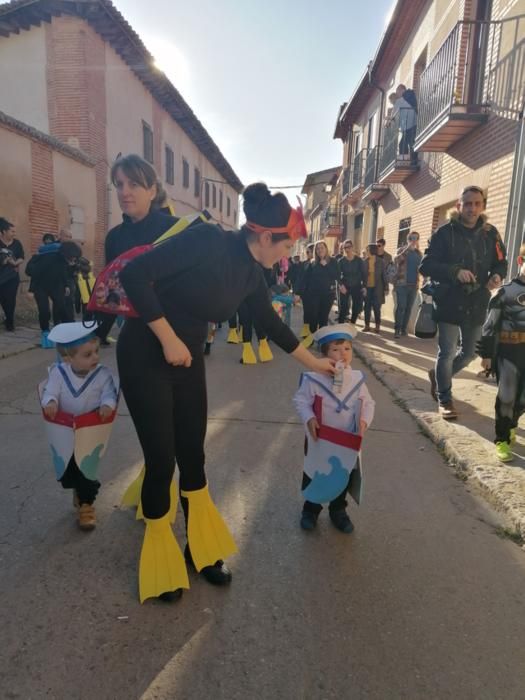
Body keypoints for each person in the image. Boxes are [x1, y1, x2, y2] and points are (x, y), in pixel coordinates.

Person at [117, 181, 335, 604]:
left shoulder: (253, 273)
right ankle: (161, 556)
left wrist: (316, 363)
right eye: (287, 247)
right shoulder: (207, 241)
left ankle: (200, 549)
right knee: (162, 460)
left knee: (193, 455)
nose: (288, 256)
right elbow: (134, 275)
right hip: (146, 354)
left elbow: (270, 325)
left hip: (186, 360)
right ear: (266, 236)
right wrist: (167, 339)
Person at [420, 186, 507, 420]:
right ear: (459, 205)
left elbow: (501, 262)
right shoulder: (444, 232)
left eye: (477, 203)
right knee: (447, 352)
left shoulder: (491, 233)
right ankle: (444, 397)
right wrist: (454, 271)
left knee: (469, 354)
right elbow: (425, 265)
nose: (472, 208)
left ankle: (439, 377)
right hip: (449, 300)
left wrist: (497, 276)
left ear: (483, 206)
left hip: (477, 301)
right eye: (467, 203)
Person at [293, 324, 375, 533]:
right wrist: (309, 418)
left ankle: (338, 510)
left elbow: (368, 403)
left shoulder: (357, 379)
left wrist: (364, 421)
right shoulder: (312, 378)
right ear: (324, 354)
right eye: (335, 350)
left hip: (347, 439)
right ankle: (311, 509)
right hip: (320, 438)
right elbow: (301, 401)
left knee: (343, 476)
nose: (342, 354)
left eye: (347, 349)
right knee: (314, 473)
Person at [39, 323, 118, 529]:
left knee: (87, 468)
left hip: (91, 429)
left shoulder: (102, 374)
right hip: (64, 430)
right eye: (88, 354)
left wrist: (107, 405)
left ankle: (86, 505)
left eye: (96, 352)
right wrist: (50, 402)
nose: (95, 357)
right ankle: (79, 491)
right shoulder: (58, 373)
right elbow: (50, 391)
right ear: (68, 358)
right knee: (70, 469)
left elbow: (109, 392)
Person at [97, 154, 178, 346]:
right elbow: (111, 290)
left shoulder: (176, 230)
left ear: (152, 191)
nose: (124, 192)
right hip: (134, 339)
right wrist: (94, 335)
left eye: (133, 184)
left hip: (178, 337)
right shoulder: (114, 237)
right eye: (119, 184)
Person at [477, 243, 525, 462]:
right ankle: (502, 439)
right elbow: (489, 327)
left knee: (522, 399)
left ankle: (512, 423)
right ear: (520, 262)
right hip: (508, 354)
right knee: (507, 397)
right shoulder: (504, 293)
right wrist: (486, 355)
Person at [26, 240, 81, 347]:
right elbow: (36, 273)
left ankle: (67, 332)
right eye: (74, 257)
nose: (74, 259)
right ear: (68, 253)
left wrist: (66, 286)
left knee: (62, 308)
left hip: (55, 286)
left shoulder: (64, 260)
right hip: (40, 286)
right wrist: (31, 290)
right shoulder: (50, 257)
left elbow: (63, 272)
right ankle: (45, 332)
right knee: (44, 310)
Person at [303, 240, 338, 343]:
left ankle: (322, 341)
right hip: (313, 295)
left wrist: (326, 265)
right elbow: (306, 278)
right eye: (317, 248)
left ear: (326, 249)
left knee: (323, 318)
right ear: (315, 251)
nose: (320, 250)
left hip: (328, 295)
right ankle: (312, 337)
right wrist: (300, 292)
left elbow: (335, 275)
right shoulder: (313, 263)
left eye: (322, 248)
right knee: (313, 317)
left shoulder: (333, 261)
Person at [393, 231, 422, 338]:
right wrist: (407, 249)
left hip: (414, 285)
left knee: (408, 308)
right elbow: (396, 260)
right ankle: (397, 329)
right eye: (411, 238)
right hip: (402, 284)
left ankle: (403, 329)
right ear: (408, 239)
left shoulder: (419, 254)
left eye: (416, 238)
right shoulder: (401, 250)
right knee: (401, 307)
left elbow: (422, 269)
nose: (414, 240)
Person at [0, 218, 24, 332]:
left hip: (12, 277)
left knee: (10, 300)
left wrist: (15, 262)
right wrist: (4, 262)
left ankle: (10, 322)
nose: (14, 233)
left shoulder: (17, 243)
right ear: (4, 231)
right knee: (2, 299)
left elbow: (21, 257)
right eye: (12, 231)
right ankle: (6, 317)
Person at [337, 239, 366, 324]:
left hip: (356, 286)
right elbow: (337, 275)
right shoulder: (341, 261)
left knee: (356, 307)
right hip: (345, 286)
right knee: (343, 307)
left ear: (352, 247)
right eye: (345, 247)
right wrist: (341, 285)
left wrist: (364, 286)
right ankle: (340, 325)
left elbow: (364, 274)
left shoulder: (359, 260)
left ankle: (352, 323)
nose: (346, 249)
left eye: (348, 247)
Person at [363, 243, 387, 333]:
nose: (366, 252)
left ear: (371, 251)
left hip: (377, 288)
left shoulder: (381, 261)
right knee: (367, 308)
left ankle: (377, 327)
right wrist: (363, 287)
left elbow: (384, 275)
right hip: (367, 288)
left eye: (367, 250)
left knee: (377, 308)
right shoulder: (365, 261)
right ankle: (367, 326)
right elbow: (362, 276)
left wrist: (386, 287)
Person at [294, 243, 314, 338]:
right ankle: (306, 332)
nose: (306, 254)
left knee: (315, 314)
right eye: (306, 252)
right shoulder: (304, 264)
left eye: (308, 252)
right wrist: (297, 293)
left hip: (318, 293)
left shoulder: (319, 264)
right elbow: (299, 279)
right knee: (307, 312)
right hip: (306, 293)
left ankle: (314, 332)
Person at [395, 84, 418, 165]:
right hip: (414, 123)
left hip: (407, 126)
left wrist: (388, 121)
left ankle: (404, 162)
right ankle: (414, 160)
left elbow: (394, 116)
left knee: (402, 145)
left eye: (397, 92)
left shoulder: (399, 101)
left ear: (401, 90)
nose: (397, 94)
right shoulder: (412, 97)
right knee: (411, 143)